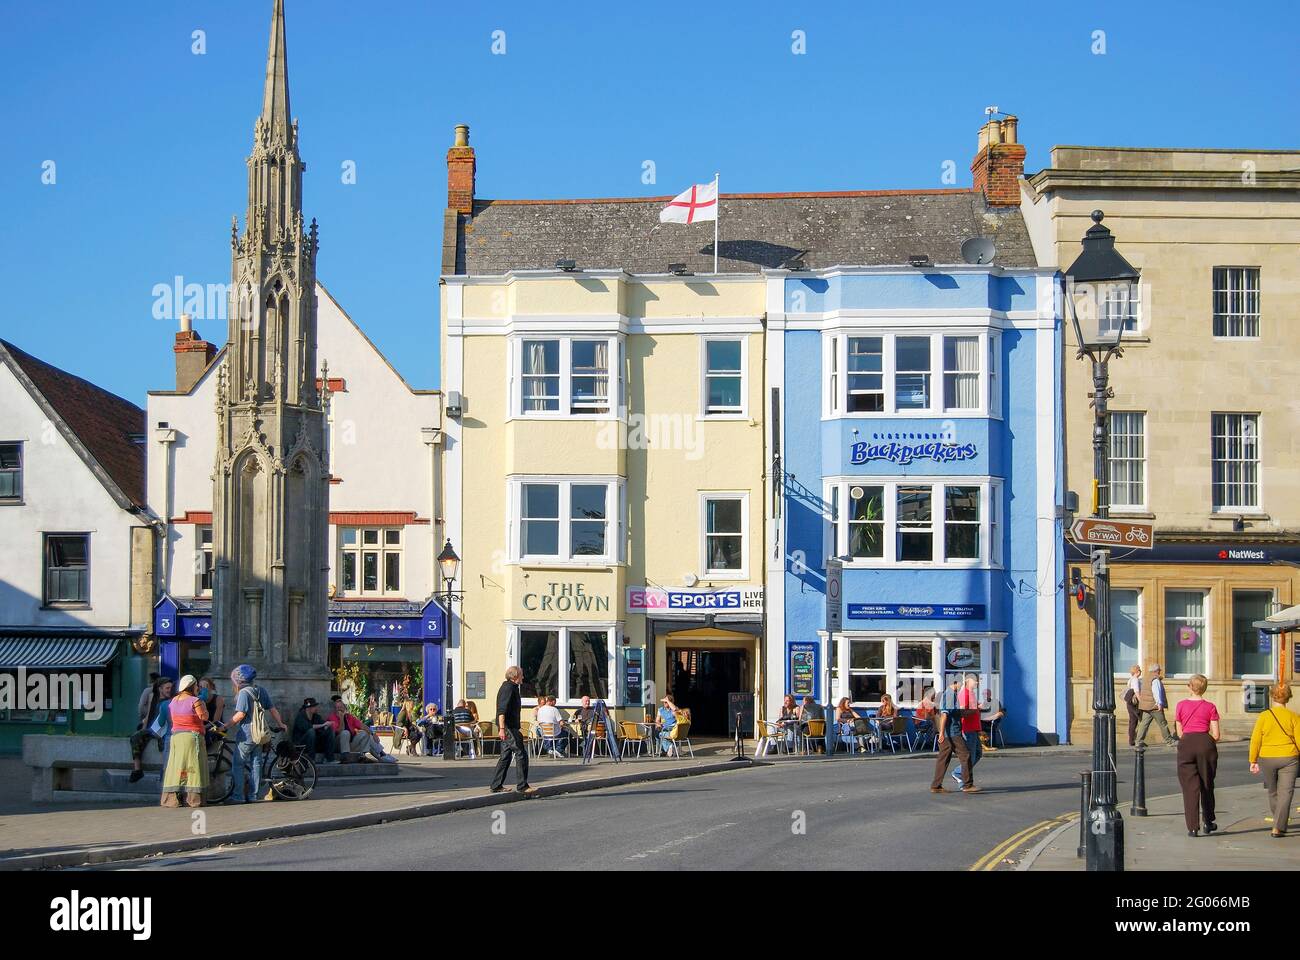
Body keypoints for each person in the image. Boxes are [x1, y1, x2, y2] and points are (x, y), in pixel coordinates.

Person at [221, 665, 284, 804]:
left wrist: (226, 725)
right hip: (259, 734)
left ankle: (238, 796)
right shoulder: (260, 690)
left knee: (238, 764)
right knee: (256, 764)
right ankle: (254, 795)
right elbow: (272, 709)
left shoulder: (244, 693)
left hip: (246, 734)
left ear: (239, 680)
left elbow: (240, 714)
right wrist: (281, 724)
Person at [1249, 682, 1300, 838]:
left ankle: (1278, 823)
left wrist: (1253, 760)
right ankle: (1278, 826)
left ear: (1272, 696)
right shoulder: (1294, 716)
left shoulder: (1264, 716)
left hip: (1267, 757)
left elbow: (1256, 739)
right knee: (1286, 792)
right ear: (1289, 697)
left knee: (1273, 791)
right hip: (1289, 757)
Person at [1173, 674, 1220, 837]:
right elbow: (1216, 735)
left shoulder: (1180, 705)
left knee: (1190, 787)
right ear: (1204, 689)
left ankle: (1192, 827)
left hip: (1186, 743)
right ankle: (1208, 821)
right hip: (1205, 743)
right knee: (1207, 783)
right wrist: (1206, 739)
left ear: (1189, 687)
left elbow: (1179, 732)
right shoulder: (1211, 707)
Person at [160, 675, 209, 808]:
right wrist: (203, 703)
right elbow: (204, 717)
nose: (198, 688)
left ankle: (173, 799)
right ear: (192, 686)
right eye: (196, 685)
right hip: (192, 737)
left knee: (177, 767)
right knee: (193, 767)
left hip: (176, 737)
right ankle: (193, 799)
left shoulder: (173, 701)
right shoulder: (195, 701)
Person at [489, 666, 535, 795]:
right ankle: (522, 786)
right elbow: (501, 710)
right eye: (521, 675)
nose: (523, 677)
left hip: (510, 726)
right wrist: (502, 729)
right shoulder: (508, 688)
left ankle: (496, 785)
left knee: (505, 756)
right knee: (521, 754)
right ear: (515, 676)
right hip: (508, 727)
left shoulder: (511, 688)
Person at [930, 677, 978, 794]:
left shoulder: (950, 694)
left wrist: (971, 711)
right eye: (961, 683)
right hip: (952, 733)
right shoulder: (950, 694)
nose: (962, 686)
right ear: (955, 683)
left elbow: (955, 713)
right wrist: (941, 733)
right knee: (966, 755)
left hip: (949, 733)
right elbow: (944, 715)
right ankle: (967, 785)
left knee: (943, 759)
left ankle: (936, 786)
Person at [129, 677, 174, 783]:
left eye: (171, 688)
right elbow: (149, 714)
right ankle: (137, 770)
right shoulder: (152, 697)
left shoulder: (171, 701)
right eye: (167, 688)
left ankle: (165, 773)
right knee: (135, 737)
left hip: (165, 729)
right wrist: (144, 729)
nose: (169, 690)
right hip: (152, 727)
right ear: (160, 689)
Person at [328, 695, 397, 763]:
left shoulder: (349, 717)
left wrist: (373, 734)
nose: (340, 709)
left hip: (350, 744)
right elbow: (340, 731)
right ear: (335, 709)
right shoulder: (332, 718)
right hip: (338, 745)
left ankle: (364, 755)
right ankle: (345, 757)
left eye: (342, 707)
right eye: (338, 708)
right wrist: (341, 719)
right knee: (345, 733)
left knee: (365, 733)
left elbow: (362, 726)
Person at [951, 674, 984, 785]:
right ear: (968, 681)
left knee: (978, 753)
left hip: (974, 728)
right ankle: (960, 776)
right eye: (975, 680)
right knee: (969, 757)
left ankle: (960, 774)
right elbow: (961, 712)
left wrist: (977, 707)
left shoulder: (971, 693)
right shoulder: (964, 694)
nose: (977, 683)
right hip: (967, 729)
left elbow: (972, 709)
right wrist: (974, 710)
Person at [1135, 664, 1177, 747]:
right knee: (1163, 723)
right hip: (1154, 706)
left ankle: (1138, 741)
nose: (1160, 671)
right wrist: (1159, 703)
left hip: (1146, 706)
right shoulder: (1155, 679)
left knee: (1144, 724)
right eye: (1159, 670)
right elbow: (1156, 692)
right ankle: (1169, 740)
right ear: (1156, 671)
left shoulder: (1145, 678)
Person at [292, 697, 338, 764]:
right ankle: (311, 759)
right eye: (314, 706)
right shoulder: (300, 717)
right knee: (311, 731)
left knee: (329, 730)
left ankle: (329, 758)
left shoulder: (316, 716)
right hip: (302, 744)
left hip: (314, 744)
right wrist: (323, 725)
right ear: (308, 708)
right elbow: (308, 727)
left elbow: (323, 726)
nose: (316, 708)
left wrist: (327, 725)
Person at [1123, 664, 1142, 747]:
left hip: (1129, 703)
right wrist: (1141, 701)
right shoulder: (1135, 680)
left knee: (1132, 721)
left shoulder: (1130, 680)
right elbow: (1137, 692)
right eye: (1140, 670)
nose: (1141, 671)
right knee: (1138, 720)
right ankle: (1135, 739)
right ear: (1137, 671)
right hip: (1134, 703)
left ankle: (1132, 739)